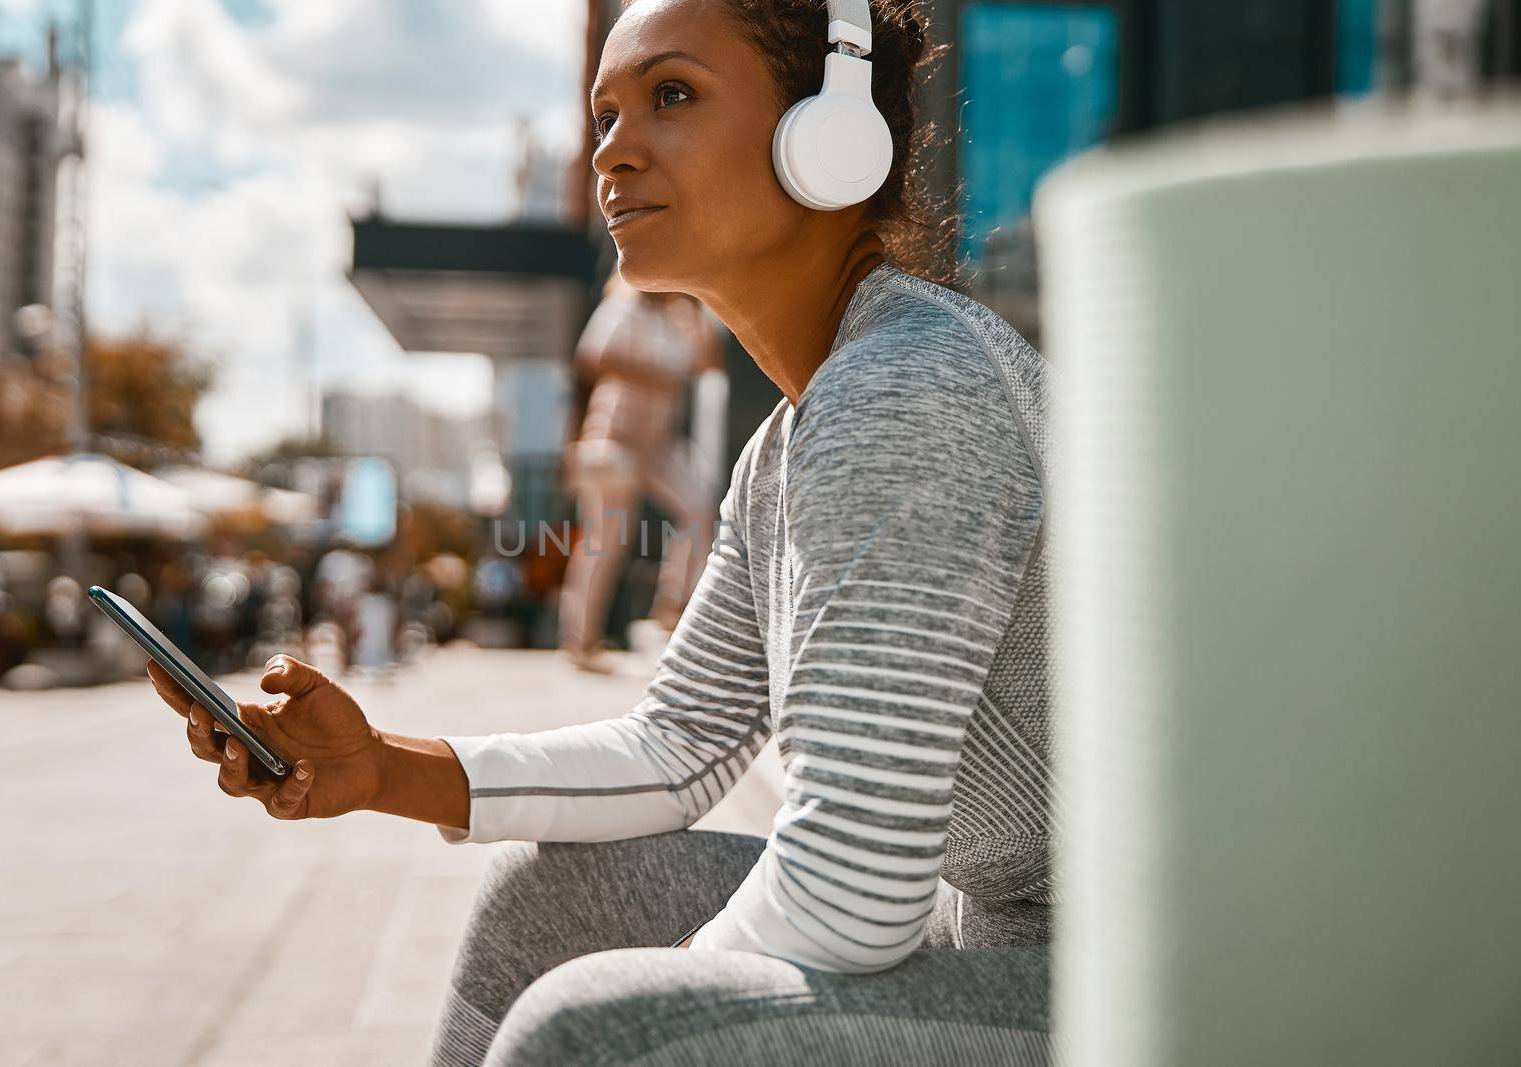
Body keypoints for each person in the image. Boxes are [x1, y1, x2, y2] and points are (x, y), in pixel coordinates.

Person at [144, 2, 1055, 1064]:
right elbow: (676, 748)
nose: (613, 150)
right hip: (985, 935)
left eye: (672, 96)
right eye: (603, 114)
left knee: (594, 1027)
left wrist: (666, 986)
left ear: (829, 131)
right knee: (548, 900)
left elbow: (849, 896)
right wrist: (379, 765)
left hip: (1138, 981)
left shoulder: (906, 392)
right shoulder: (790, 443)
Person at [556, 272, 724, 673]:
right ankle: (579, 640)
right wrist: (660, 378)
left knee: (700, 507)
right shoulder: (623, 304)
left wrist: (699, 310)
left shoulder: (680, 318)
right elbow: (593, 358)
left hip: (658, 442)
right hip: (614, 438)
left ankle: (673, 605)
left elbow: (709, 364)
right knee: (607, 540)